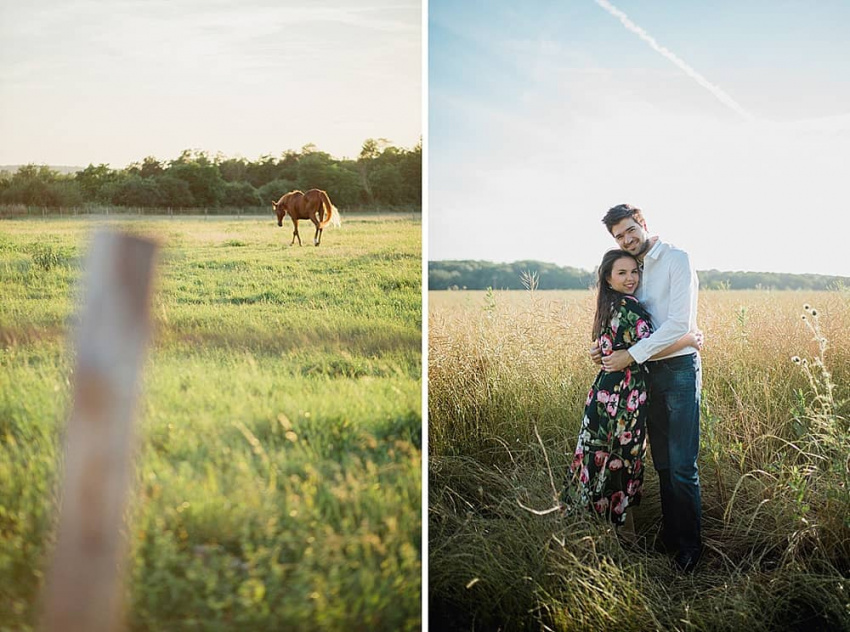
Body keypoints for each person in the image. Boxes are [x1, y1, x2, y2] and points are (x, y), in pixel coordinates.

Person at [594, 203, 703, 573]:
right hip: (645, 378)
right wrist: (604, 349)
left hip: (678, 371)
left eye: (629, 230)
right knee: (662, 465)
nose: (626, 239)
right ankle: (672, 538)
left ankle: (689, 549)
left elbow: (677, 324)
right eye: (619, 236)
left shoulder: (676, 259)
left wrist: (631, 356)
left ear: (642, 223)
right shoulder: (634, 269)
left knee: (682, 466)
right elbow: (624, 321)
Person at [564, 249, 697, 542]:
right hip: (623, 398)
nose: (630, 278)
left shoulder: (608, 306)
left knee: (603, 458)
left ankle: (612, 529)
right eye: (621, 273)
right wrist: (688, 340)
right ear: (608, 279)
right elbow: (646, 351)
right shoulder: (629, 308)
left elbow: (619, 349)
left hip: (604, 394)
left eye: (634, 272)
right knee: (621, 461)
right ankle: (623, 535)